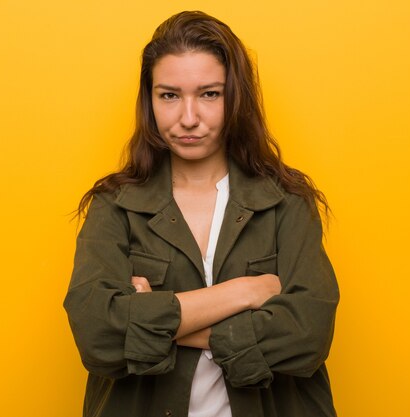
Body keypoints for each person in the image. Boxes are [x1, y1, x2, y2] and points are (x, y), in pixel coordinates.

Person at [64, 10, 340, 417]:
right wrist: (242, 293)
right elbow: (97, 334)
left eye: (209, 94)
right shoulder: (113, 206)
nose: (188, 118)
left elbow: (308, 335)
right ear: (149, 100)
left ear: (236, 97)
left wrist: (154, 318)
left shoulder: (286, 201)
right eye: (169, 95)